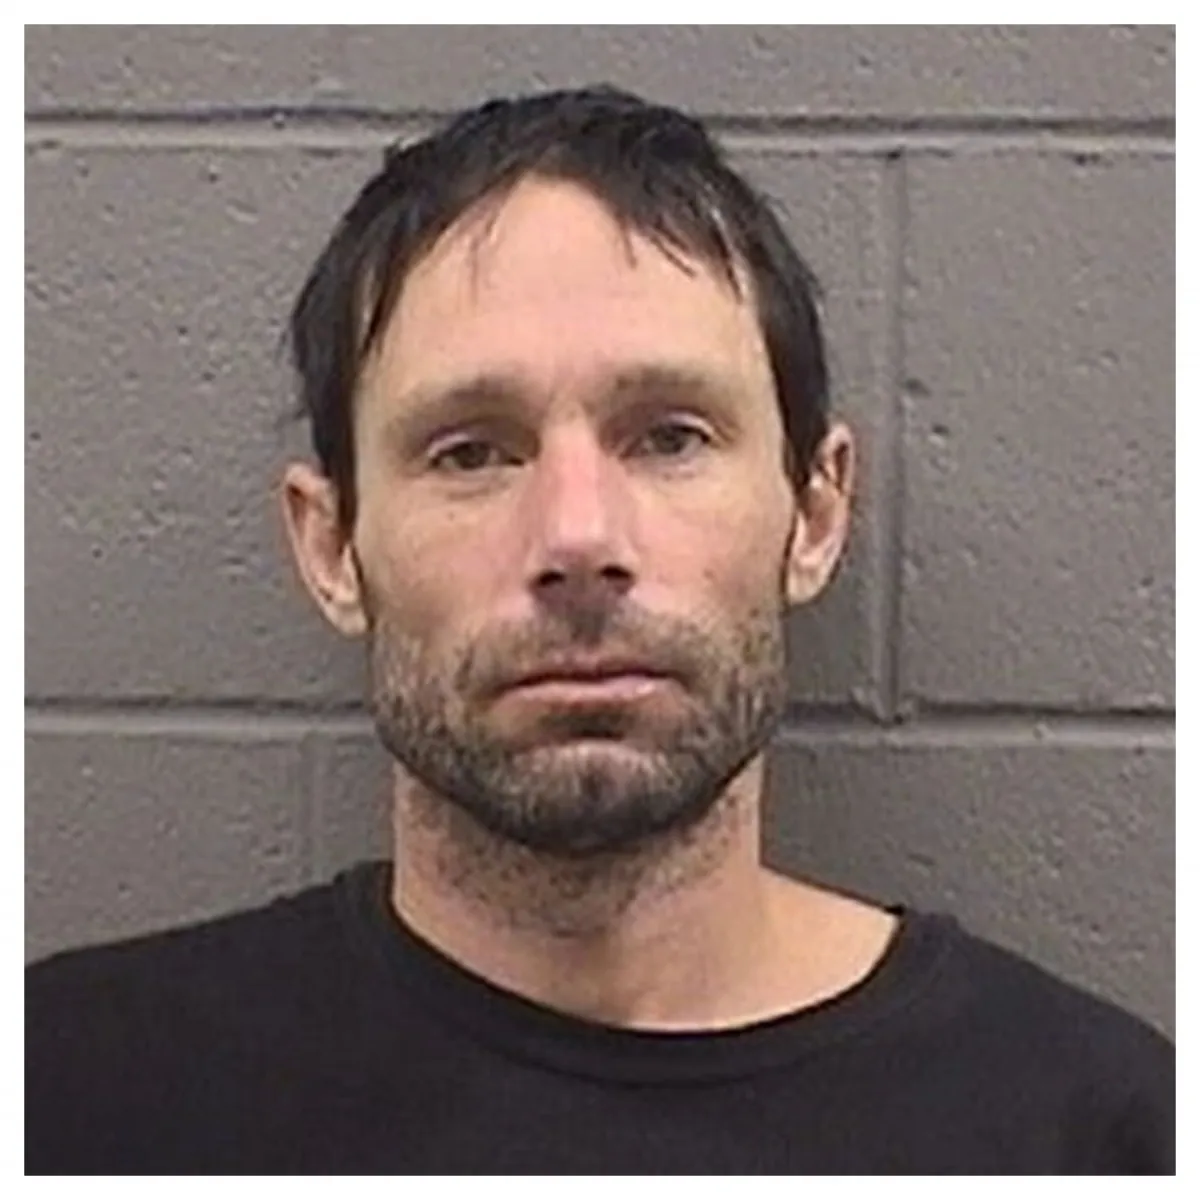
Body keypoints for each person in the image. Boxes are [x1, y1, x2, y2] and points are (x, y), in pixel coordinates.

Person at [26, 85, 1173, 1175]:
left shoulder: (1093, 1134)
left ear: (816, 515)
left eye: (670, 437)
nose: (578, 538)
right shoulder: (68, 1101)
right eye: (471, 452)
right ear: (332, 547)